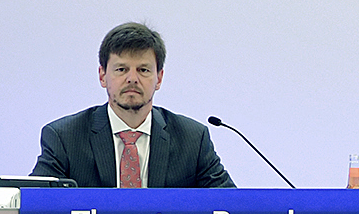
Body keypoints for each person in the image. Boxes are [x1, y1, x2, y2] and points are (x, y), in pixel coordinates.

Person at [33, 21, 233, 189]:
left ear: (159, 78)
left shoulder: (192, 139)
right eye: (121, 69)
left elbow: (233, 207)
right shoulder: (65, 138)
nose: (132, 79)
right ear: (102, 76)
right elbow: (34, 205)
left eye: (143, 70)